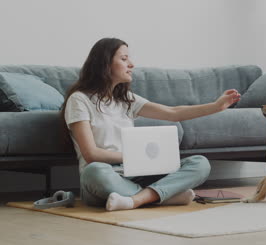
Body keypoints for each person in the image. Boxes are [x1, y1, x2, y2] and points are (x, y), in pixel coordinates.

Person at [60, 38, 240, 211]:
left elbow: (172, 113)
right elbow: (91, 154)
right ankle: (162, 196)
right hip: (105, 176)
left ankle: (135, 200)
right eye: (124, 59)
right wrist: (134, 156)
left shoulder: (125, 99)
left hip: (137, 173)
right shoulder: (79, 100)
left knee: (200, 163)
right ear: (105, 64)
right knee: (94, 171)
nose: (131, 64)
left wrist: (216, 106)